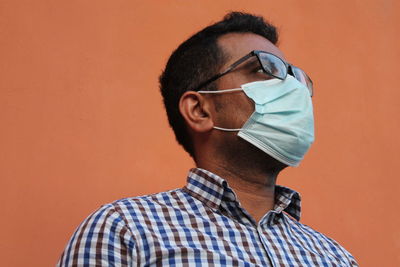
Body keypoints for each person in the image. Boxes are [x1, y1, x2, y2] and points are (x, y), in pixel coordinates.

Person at [57, 12, 358, 266]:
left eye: (295, 77)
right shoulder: (125, 230)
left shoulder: (335, 257)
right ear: (200, 110)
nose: (293, 89)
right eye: (265, 69)